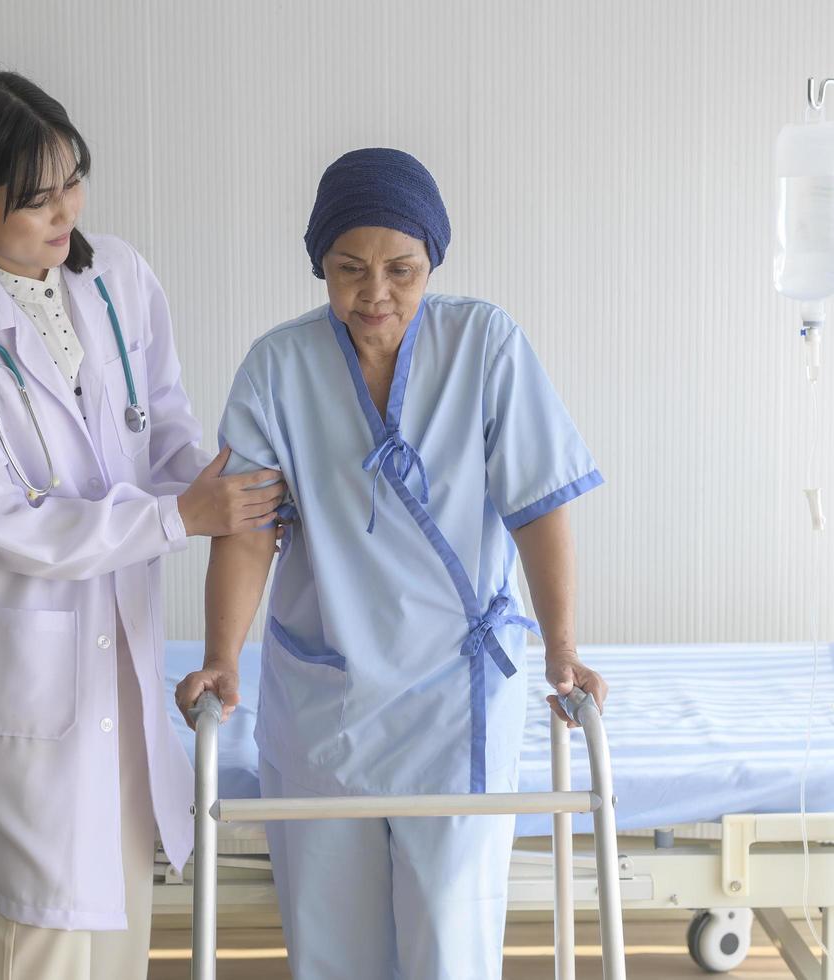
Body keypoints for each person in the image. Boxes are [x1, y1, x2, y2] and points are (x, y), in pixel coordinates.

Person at [177, 147, 608, 979]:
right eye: (349, 269)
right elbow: (245, 528)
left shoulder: (485, 344)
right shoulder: (279, 367)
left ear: (432, 262)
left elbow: (538, 507)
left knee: (450, 935)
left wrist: (560, 648)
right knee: (329, 939)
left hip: (457, 701)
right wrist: (221, 659)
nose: (375, 293)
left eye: (401, 270)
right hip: (327, 698)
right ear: (319, 265)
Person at [0, 69, 284, 979]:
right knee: (50, 934)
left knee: (115, 922)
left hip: (117, 653)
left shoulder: (117, 277)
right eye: (34, 198)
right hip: (27, 676)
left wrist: (222, 485)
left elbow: (164, 428)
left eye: (73, 178)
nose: (64, 209)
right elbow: (10, 526)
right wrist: (178, 518)